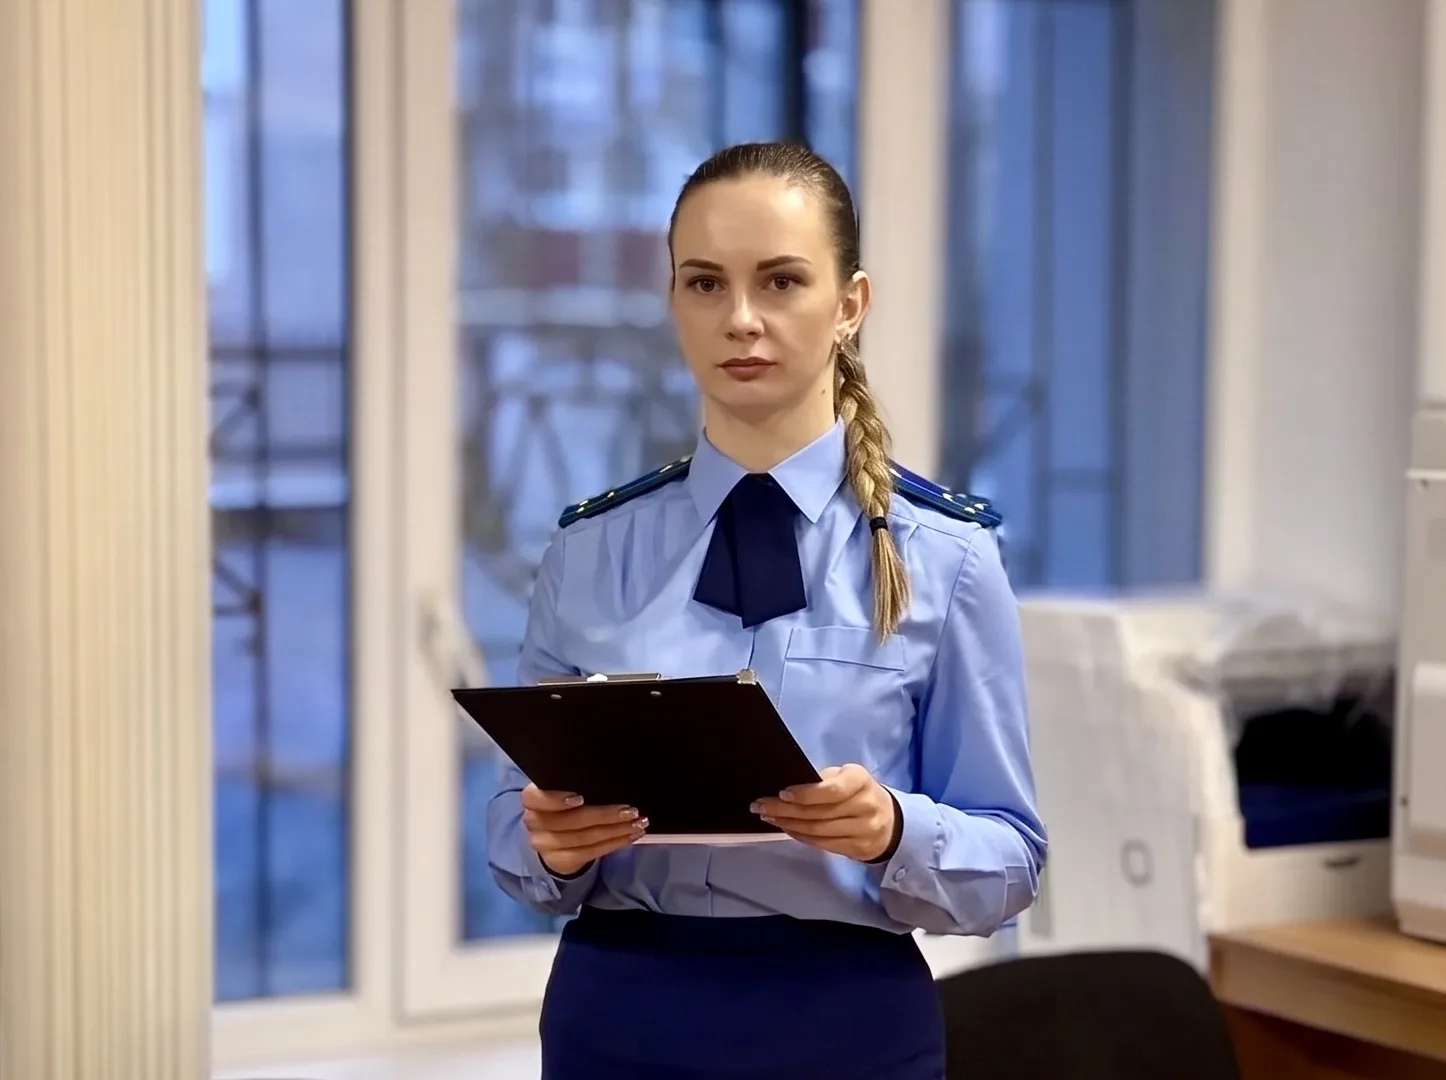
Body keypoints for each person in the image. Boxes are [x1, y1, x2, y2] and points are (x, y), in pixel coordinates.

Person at [485, 141, 1047, 1079]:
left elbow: (1012, 858)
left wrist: (895, 831)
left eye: (781, 281)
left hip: (844, 1022)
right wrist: (551, 844)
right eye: (705, 284)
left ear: (850, 305)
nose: (740, 318)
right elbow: (513, 830)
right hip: (617, 1019)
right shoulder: (590, 551)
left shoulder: (947, 558)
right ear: (673, 301)